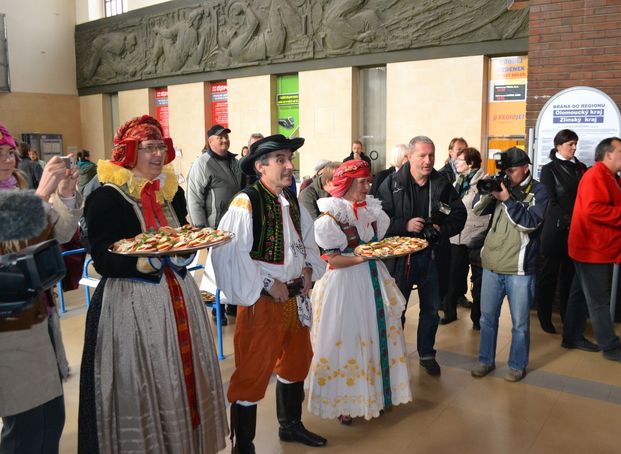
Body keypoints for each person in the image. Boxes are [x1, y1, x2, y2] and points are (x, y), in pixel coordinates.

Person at [78, 115, 228, 453]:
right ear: (129, 152)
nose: (158, 154)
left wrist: (180, 255)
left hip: (179, 295)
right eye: (149, 147)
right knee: (147, 379)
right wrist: (145, 260)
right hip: (131, 303)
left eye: (161, 146)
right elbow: (103, 259)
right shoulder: (107, 198)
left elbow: (183, 235)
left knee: (182, 374)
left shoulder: (169, 192)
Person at [209, 134, 327, 453]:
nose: (289, 166)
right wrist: (265, 283)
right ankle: (243, 444)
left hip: (294, 300)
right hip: (261, 304)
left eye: (289, 159)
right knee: (252, 370)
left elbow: (309, 243)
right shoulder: (246, 201)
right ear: (261, 167)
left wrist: (307, 271)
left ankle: (290, 425)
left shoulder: (290, 200)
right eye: (280, 160)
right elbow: (228, 253)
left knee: (297, 362)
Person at [307, 159, 412, 424]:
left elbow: (378, 244)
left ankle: (372, 394)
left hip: (372, 280)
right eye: (363, 181)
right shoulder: (329, 218)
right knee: (348, 340)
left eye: (368, 180)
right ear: (349, 183)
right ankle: (345, 401)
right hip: (343, 286)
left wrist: (379, 253)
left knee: (374, 336)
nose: (369, 186)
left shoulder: (374, 212)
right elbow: (332, 260)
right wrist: (365, 257)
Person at [0, 122, 81, 453]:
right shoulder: (27, 196)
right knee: (24, 433)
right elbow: (9, 247)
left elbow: (60, 235)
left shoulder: (18, 192)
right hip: (10, 330)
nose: (7, 161)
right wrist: (42, 193)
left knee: (51, 421)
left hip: (41, 320)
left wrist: (64, 194)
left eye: (9, 153)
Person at [376, 135, 466, 376]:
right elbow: (378, 221)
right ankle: (395, 355)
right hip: (400, 260)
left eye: (431, 156)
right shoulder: (391, 183)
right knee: (397, 310)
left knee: (431, 309)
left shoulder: (442, 183)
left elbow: (459, 215)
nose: (428, 161)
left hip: (433, 258)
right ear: (409, 157)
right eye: (422, 156)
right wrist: (404, 225)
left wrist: (440, 229)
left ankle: (427, 353)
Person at [562, 137, 621, 364]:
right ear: (608, 155)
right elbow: (592, 209)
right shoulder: (595, 176)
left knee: (580, 294)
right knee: (598, 301)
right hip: (592, 250)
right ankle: (611, 347)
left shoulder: (611, 177)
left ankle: (571, 336)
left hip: (594, 248)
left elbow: (607, 206)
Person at [470, 147, 549, 382]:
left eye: (512, 170)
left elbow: (529, 224)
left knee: (520, 324)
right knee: (487, 318)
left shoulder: (539, 190)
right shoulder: (502, 185)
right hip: (492, 265)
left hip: (520, 269)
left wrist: (506, 200)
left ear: (526, 167)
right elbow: (476, 209)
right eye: (505, 170)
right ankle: (485, 360)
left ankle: (516, 365)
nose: (508, 175)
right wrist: (490, 191)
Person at [534, 130, 587, 334]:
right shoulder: (549, 169)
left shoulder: (581, 168)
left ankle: (568, 318)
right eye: (570, 144)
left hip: (576, 230)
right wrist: (569, 220)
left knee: (569, 276)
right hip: (555, 230)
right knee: (548, 276)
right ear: (558, 146)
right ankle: (544, 317)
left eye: (575, 143)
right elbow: (550, 201)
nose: (573, 147)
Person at [440, 147, 489, 328]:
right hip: (456, 237)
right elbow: (450, 206)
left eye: (460, 160)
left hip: (477, 237)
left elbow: (480, 209)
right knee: (452, 277)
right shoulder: (458, 182)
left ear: (471, 163)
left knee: (478, 280)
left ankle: (477, 319)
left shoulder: (484, 183)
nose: (456, 163)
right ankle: (449, 312)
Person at [187, 124, 244, 229]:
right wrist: (200, 229)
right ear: (210, 142)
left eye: (226, 137)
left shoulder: (235, 162)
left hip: (235, 224)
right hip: (215, 227)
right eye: (220, 137)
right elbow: (194, 198)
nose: (225, 140)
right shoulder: (202, 163)